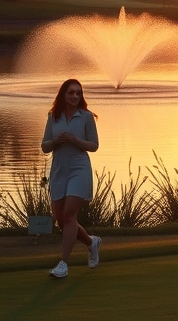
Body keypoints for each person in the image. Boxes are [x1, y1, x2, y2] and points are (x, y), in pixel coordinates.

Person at [42, 79, 102, 278]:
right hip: (59, 168)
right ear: (63, 95)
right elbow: (44, 147)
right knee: (61, 219)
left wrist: (75, 141)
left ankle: (63, 264)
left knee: (69, 215)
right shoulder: (54, 116)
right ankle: (91, 242)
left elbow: (94, 145)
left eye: (78, 93)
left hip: (79, 168)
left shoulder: (85, 116)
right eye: (71, 93)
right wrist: (56, 141)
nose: (75, 96)